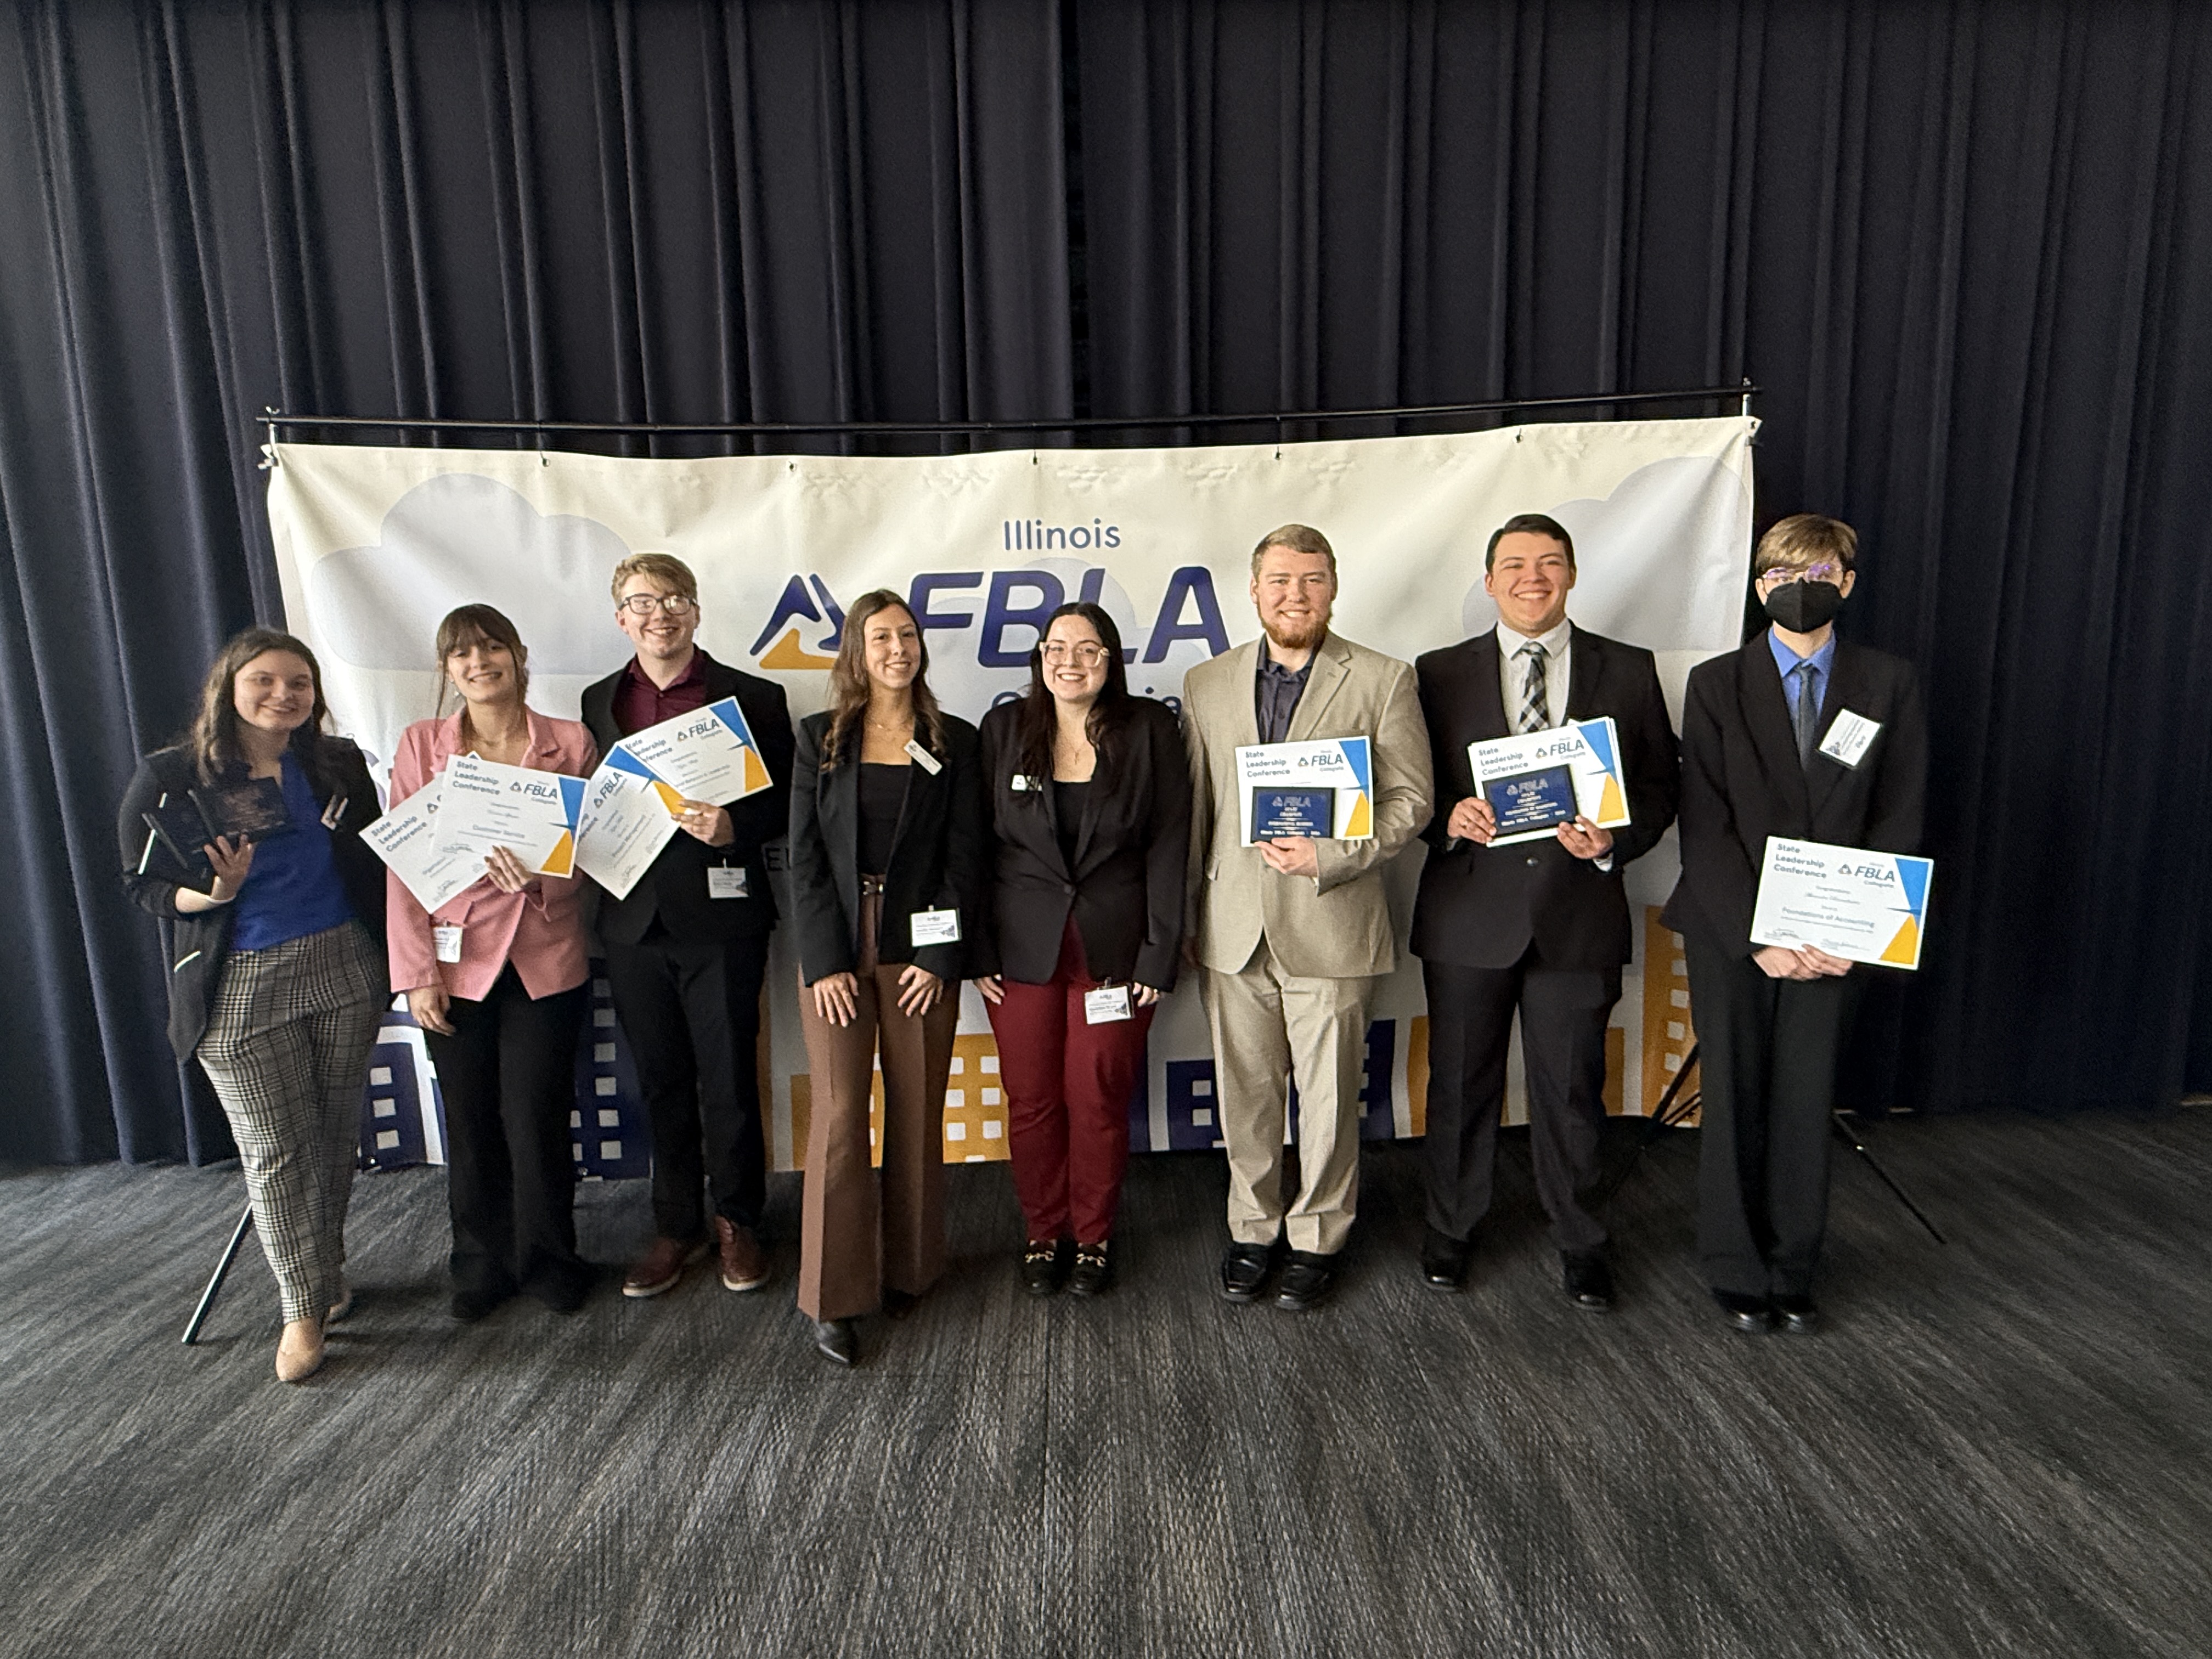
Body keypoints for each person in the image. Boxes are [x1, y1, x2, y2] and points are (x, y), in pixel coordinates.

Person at [1663, 514, 1927, 1334]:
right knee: (1734, 1092)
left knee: (1807, 1099)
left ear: (1847, 582)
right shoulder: (1715, 684)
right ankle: (1736, 1265)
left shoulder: (1889, 683)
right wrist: (1760, 937)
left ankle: (1793, 1264)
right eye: (1780, 573)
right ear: (1759, 586)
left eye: (1816, 572)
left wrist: (1853, 929)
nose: (1798, 587)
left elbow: (1901, 813)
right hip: (1732, 930)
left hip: (1840, 938)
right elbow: (1703, 824)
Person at [1410, 513, 1680, 1307]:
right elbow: (1407, 787)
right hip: (1468, 916)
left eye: (1550, 563)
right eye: (1516, 565)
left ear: (1571, 575)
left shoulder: (1628, 669)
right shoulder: (1436, 672)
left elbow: (1663, 787)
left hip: (1578, 914)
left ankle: (1581, 1237)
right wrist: (1445, 818)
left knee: (1571, 1089)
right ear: (1489, 582)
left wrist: (1610, 842)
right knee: (1461, 1083)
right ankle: (1452, 1227)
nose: (1534, 577)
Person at [118, 628, 387, 1383]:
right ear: (229, 686)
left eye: (298, 683)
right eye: (265, 681)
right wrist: (212, 893)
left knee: (334, 1138)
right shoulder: (174, 775)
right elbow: (137, 883)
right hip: (239, 981)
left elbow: (372, 853)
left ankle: (325, 1274)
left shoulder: (336, 764)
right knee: (276, 1151)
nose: (283, 695)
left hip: (345, 965)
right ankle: (300, 1310)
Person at [1181, 524, 1433, 1312]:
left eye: (1313, 579)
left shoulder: (1384, 678)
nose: (1297, 594)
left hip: (1333, 918)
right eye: (1281, 580)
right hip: (1231, 927)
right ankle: (1253, 1227)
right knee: (1246, 1093)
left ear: (1334, 587)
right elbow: (1197, 808)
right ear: (1254, 591)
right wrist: (1190, 912)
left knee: (1327, 1099)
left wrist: (1332, 855)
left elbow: (1412, 801)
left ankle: (1320, 1235)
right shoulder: (1206, 682)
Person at [580, 553, 795, 1302]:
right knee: (661, 1081)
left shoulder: (754, 697)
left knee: (731, 1076)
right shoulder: (597, 701)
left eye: (673, 599)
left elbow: (791, 802)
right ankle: (677, 1225)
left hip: (725, 918)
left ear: (696, 612)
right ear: (621, 618)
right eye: (641, 601)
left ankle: (738, 1219)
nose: (658, 613)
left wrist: (735, 821)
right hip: (632, 923)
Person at [786, 590, 989, 1365]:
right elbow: (805, 860)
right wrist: (827, 962)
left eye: (907, 635)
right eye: (881, 638)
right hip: (838, 950)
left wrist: (941, 960)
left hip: (919, 953)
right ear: (857, 651)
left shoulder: (953, 741)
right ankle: (832, 1296)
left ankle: (911, 1268)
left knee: (916, 1109)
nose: (897, 649)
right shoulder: (821, 740)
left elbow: (964, 856)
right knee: (840, 1117)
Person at [386, 605, 599, 1321]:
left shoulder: (570, 742)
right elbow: (403, 870)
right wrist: (415, 974)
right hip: (455, 964)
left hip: (547, 958)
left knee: (538, 1116)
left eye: (491, 648)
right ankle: (480, 1263)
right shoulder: (422, 746)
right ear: (448, 671)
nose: (479, 663)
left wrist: (539, 875)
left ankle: (549, 1259)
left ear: (519, 655)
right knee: (472, 1121)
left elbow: (595, 853)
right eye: (462, 655)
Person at [975, 603, 1190, 1299]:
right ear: (1039, 658)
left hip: (1116, 956)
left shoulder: (1150, 730)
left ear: (1113, 660)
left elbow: (1169, 846)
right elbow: (973, 848)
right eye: (1057, 647)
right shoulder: (1005, 730)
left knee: (1097, 1097)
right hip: (1020, 953)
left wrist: (1160, 957)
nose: (1071, 661)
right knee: (1032, 1100)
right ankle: (1044, 1230)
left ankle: (1093, 1236)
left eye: (1089, 649)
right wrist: (977, 947)